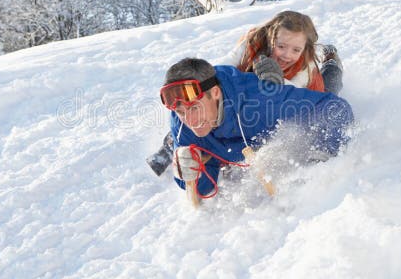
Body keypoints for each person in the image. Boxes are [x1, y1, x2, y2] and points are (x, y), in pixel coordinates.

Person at [147, 10, 344, 176]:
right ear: (271, 39)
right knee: (197, 106)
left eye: (295, 50)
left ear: (304, 50)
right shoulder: (252, 44)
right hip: (241, 96)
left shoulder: (305, 69)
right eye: (281, 46)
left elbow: (291, 103)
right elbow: (219, 71)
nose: (286, 55)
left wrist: (276, 84)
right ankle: (170, 145)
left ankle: (332, 62)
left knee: (331, 90)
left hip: (296, 95)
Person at [159, 58, 354, 198]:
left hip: (284, 89)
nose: (190, 120)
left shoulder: (261, 101)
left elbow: (335, 108)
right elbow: (204, 187)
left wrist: (325, 150)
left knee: (323, 87)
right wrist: (188, 175)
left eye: (194, 108)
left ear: (215, 93)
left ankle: (331, 64)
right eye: (181, 112)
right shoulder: (181, 123)